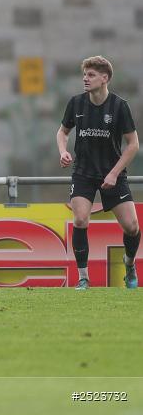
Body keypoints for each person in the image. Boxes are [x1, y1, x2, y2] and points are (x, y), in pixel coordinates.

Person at [57, 56, 139, 290]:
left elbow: (133, 145)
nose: (85, 78)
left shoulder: (119, 106)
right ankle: (83, 277)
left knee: (132, 227)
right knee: (81, 219)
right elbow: (62, 132)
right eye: (84, 74)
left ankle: (129, 264)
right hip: (83, 173)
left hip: (112, 173)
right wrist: (63, 150)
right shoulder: (76, 103)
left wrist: (114, 173)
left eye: (91, 75)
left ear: (105, 78)